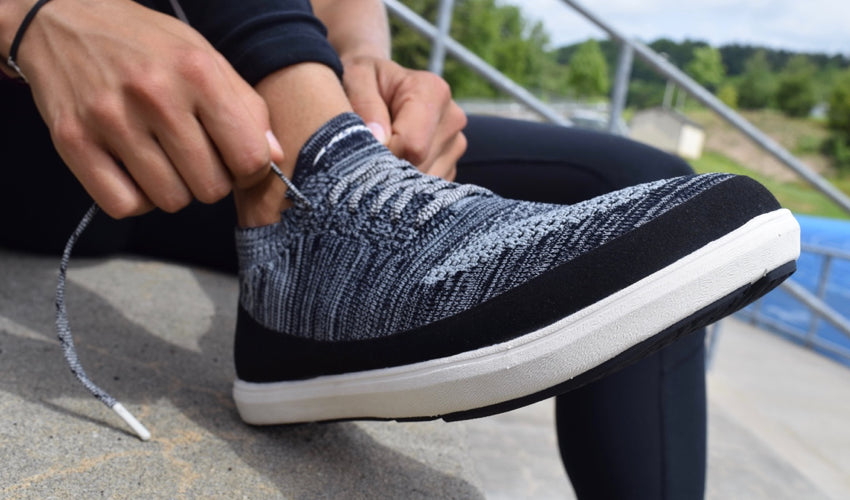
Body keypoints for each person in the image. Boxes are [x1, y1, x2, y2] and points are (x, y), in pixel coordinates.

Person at [0, 0, 799, 498]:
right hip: (37, 141)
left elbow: (345, 9)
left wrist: (356, 64)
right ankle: (321, 221)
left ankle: (324, 211)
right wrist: (32, 18)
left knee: (645, 185)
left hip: (234, 141)